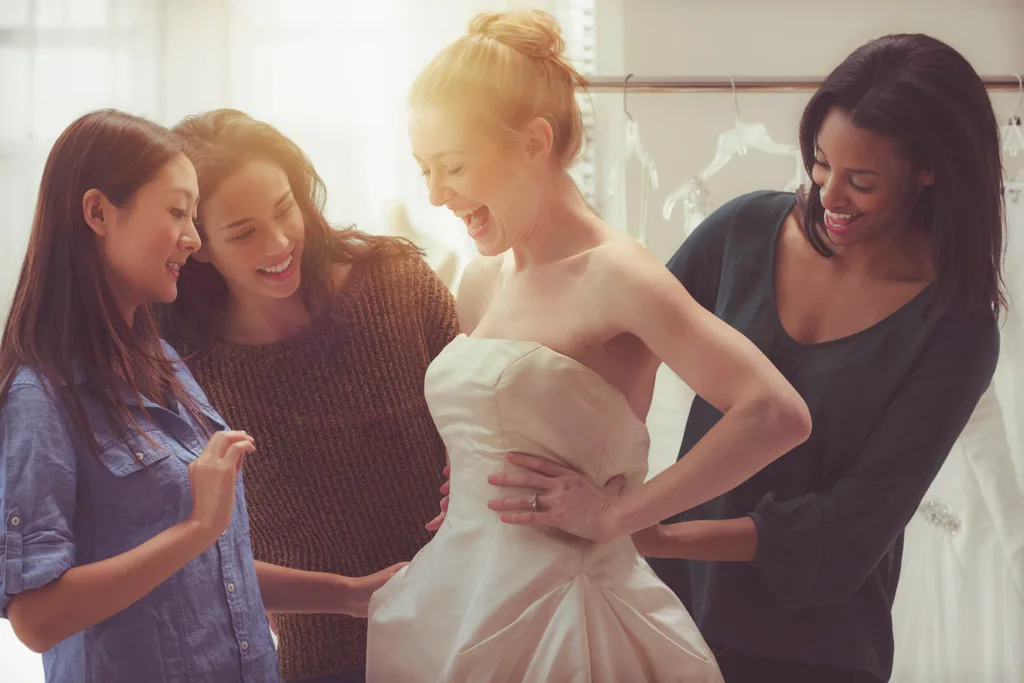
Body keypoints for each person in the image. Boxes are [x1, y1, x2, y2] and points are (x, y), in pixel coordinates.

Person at [365, 11, 812, 683]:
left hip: (568, 618)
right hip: (456, 598)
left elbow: (776, 412)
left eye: (452, 166)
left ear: (533, 142)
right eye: (423, 169)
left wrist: (617, 514)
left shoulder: (618, 274)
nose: (434, 194)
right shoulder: (483, 276)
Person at [632, 34, 1004, 683]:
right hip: (673, 619)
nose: (830, 195)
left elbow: (847, 535)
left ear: (930, 170)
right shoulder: (744, 229)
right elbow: (622, 337)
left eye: (862, 182)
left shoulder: (955, 331)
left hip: (813, 653)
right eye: (821, 164)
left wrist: (657, 533)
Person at [0, 110, 399, 683]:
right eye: (175, 211)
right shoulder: (40, 397)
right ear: (98, 213)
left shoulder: (164, 365)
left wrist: (352, 595)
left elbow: (211, 567)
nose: (193, 236)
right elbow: (36, 618)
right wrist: (195, 530)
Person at [156, 109, 458, 683]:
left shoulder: (396, 282)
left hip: (464, 614)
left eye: (284, 208)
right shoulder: (183, 367)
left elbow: (482, 423)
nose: (278, 243)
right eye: (243, 232)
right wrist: (343, 597)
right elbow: (194, 540)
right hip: (318, 653)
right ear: (197, 244)